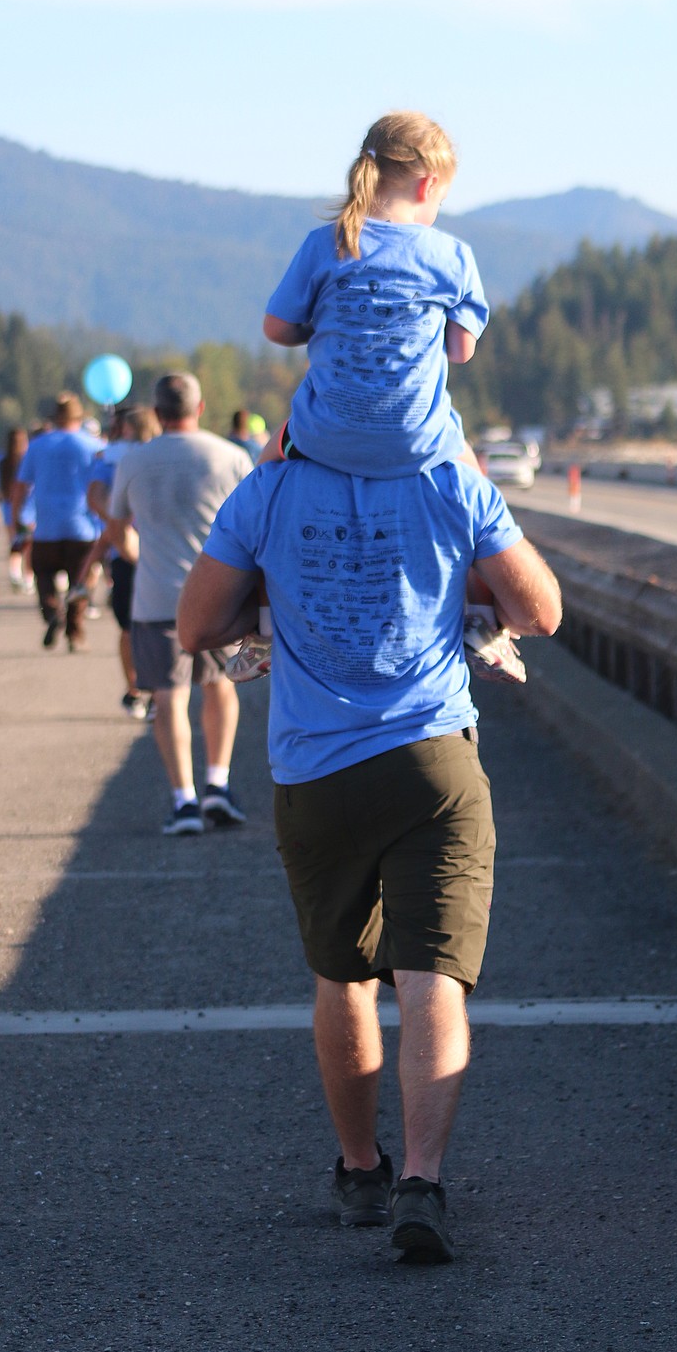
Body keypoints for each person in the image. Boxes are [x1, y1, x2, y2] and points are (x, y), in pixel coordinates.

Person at [178, 452, 561, 1261]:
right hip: (433, 759)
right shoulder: (447, 475)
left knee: (343, 973)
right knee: (432, 977)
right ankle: (421, 1182)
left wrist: (277, 603)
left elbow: (196, 627)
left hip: (315, 768)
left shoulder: (270, 487)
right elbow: (540, 608)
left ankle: (360, 1172)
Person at [228, 112, 525, 689]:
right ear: (429, 185)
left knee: (258, 493)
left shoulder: (326, 244)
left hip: (323, 435)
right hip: (419, 437)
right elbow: (460, 351)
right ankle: (485, 623)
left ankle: (262, 627)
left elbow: (275, 329)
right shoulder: (452, 256)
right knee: (480, 494)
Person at [107, 373, 253, 835]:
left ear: (156, 412)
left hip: (155, 595)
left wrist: (137, 553)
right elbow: (256, 524)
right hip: (218, 594)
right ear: (201, 406)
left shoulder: (135, 460)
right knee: (219, 687)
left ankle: (183, 799)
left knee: (168, 699)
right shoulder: (230, 456)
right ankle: (218, 784)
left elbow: (116, 523)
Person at [86, 404, 160, 720]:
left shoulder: (114, 458)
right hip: (157, 551)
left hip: (132, 552)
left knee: (131, 627)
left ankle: (141, 690)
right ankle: (150, 690)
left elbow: (93, 496)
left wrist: (116, 521)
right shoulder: (156, 454)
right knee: (151, 626)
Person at [10, 394, 99, 651]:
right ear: (78, 417)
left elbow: (21, 486)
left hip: (46, 525)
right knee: (80, 581)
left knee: (44, 575)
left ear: (55, 417)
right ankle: (74, 630)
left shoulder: (37, 446)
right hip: (83, 525)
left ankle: (52, 614)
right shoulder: (93, 446)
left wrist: (18, 519)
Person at [0, 427, 36, 592]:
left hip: (7, 506)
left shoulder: (2, 461)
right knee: (29, 545)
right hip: (26, 507)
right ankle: (28, 577)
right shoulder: (26, 460)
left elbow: (0, 485)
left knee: (14, 542)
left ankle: (14, 573)